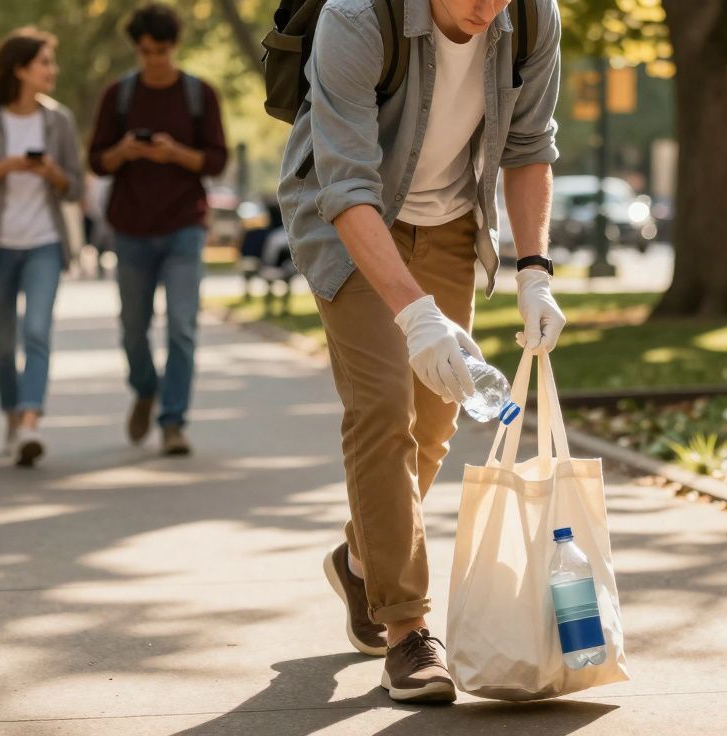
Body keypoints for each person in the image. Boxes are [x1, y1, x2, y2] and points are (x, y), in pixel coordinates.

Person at [277, 0, 566, 704]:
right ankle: (407, 630)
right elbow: (343, 185)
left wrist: (534, 270)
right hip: (350, 220)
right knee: (382, 412)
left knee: (437, 422)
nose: (488, 7)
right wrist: (415, 317)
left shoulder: (532, 16)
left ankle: (360, 559)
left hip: (448, 227)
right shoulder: (356, 17)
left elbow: (530, 145)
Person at [88, 3, 229, 456]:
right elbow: (97, 160)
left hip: (184, 226)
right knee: (133, 328)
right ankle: (145, 388)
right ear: (137, 49)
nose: (154, 60)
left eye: (162, 50)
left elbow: (217, 159)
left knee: (182, 328)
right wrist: (125, 151)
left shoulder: (199, 95)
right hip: (130, 228)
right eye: (146, 52)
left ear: (174, 46)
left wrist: (176, 155)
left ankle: (173, 422)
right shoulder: (119, 96)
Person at [0, 27, 84, 467]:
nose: (53, 70)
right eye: (44, 62)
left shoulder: (58, 120)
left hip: (45, 242)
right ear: (20, 69)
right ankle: (11, 416)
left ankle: (30, 423)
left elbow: (75, 187)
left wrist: (50, 173)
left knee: (37, 333)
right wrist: (5, 166)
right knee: (4, 343)